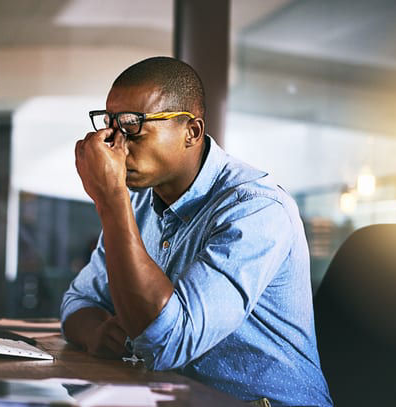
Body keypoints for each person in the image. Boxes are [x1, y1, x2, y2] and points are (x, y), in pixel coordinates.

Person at [61, 56, 332, 407]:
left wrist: (110, 200)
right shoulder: (141, 203)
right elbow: (78, 301)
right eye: (110, 125)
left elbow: (166, 341)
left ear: (192, 132)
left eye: (133, 126)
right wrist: (98, 331)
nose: (115, 144)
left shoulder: (256, 209)